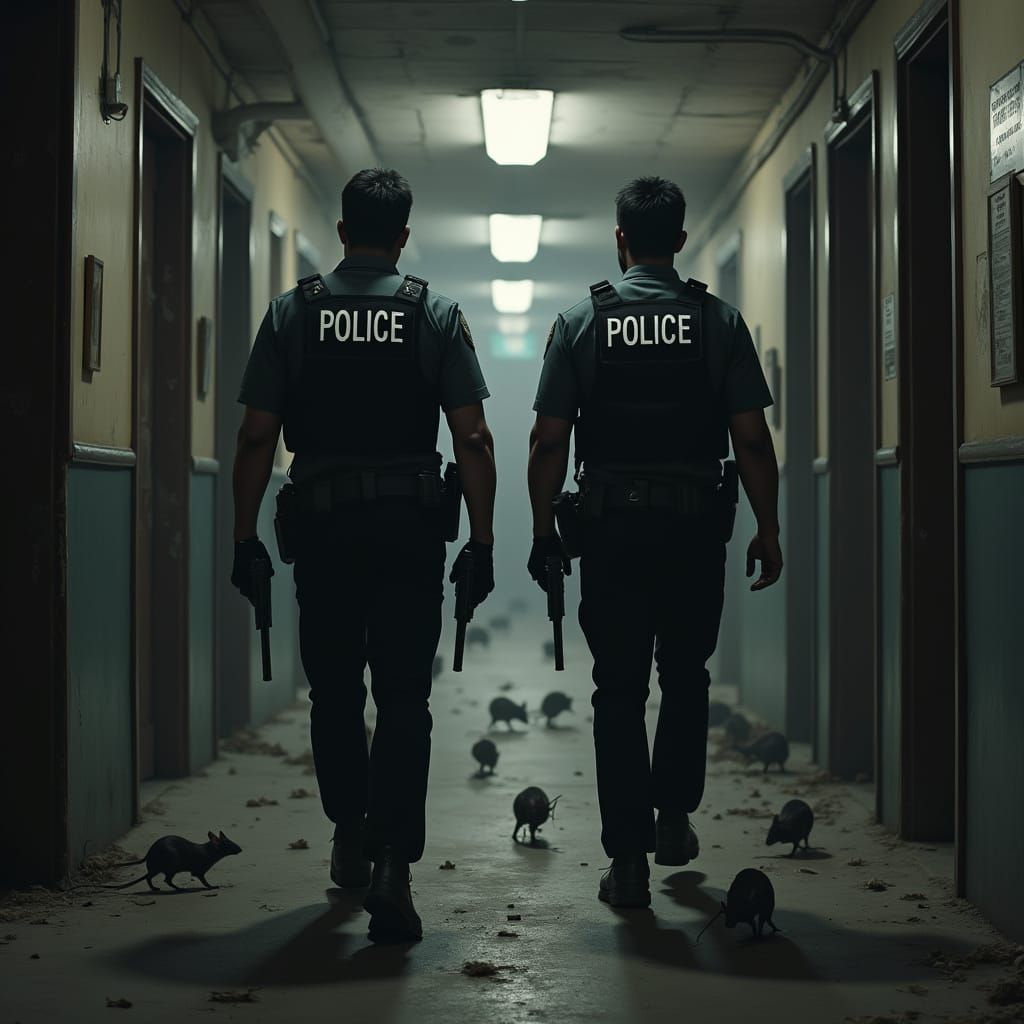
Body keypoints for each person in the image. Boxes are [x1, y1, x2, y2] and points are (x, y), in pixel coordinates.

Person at [230, 167, 496, 942]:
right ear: (402, 236)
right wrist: (480, 540)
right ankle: (394, 863)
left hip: (323, 534)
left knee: (336, 692)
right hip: (410, 533)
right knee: (406, 698)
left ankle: (349, 831)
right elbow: (472, 437)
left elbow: (255, 436)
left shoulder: (292, 314)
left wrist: (245, 537)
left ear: (343, 231)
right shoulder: (434, 314)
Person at [526, 175, 782, 908]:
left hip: (610, 533)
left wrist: (545, 529)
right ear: (679, 238)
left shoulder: (580, 322)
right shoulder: (718, 321)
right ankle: (673, 820)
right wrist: (767, 525)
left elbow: (550, 441)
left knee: (617, 688)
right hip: (695, 530)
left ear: (620, 239)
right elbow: (753, 440)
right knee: (687, 674)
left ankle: (630, 860)